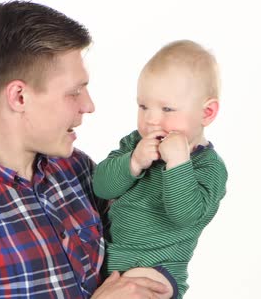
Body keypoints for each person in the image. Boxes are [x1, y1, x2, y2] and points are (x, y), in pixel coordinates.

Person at [0, 0, 170, 298]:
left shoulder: (75, 169)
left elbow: (149, 244)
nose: (88, 106)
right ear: (19, 97)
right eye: (74, 92)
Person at [93, 40, 228, 299]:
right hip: (107, 258)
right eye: (143, 106)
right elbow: (101, 186)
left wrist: (178, 165)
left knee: (137, 290)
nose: (151, 119)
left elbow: (185, 216)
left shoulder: (209, 167)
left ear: (207, 112)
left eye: (167, 109)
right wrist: (132, 162)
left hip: (155, 268)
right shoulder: (135, 143)